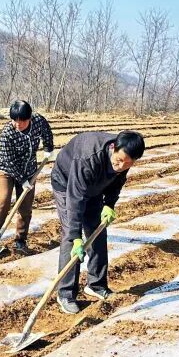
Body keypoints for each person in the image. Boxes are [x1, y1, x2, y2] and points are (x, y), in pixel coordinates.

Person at [50, 130, 146, 314]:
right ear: (113, 148)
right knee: (71, 236)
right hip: (67, 183)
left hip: (94, 187)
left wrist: (109, 204)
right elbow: (75, 199)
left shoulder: (125, 157)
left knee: (97, 232)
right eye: (118, 161)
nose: (120, 166)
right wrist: (76, 237)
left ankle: (96, 284)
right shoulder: (88, 158)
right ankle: (66, 293)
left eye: (127, 164)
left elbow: (117, 182)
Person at [0, 100, 55, 253]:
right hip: (6, 169)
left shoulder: (38, 121)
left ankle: (20, 240)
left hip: (29, 169)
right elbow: (9, 160)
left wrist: (48, 148)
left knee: (25, 207)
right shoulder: (7, 133)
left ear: (29, 118)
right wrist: (22, 179)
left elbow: (46, 132)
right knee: (3, 201)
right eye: (14, 120)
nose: (18, 124)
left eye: (22, 121)